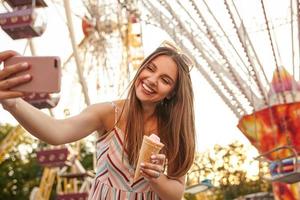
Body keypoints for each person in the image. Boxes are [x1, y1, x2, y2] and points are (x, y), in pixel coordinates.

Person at [0, 41, 196, 200]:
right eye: (150, 68)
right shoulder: (109, 113)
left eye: (165, 80)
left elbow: (176, 192)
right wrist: (13, 104)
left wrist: (156, 177)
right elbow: (57, 131)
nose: (152, 79)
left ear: (172, 93)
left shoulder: (174, 131)